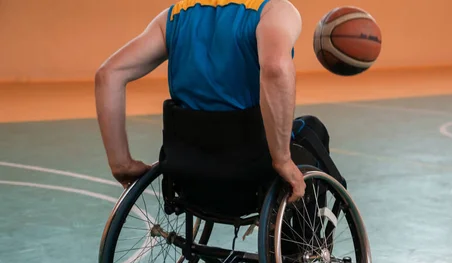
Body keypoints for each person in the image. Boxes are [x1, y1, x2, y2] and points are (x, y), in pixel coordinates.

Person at [94, 0, 306, 202]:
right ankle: (299, 237)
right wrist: (282, 159)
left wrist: (121, 164)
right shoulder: (274, 11)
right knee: (312, 133)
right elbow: (276, 69)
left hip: (186, 170)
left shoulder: (174, 17)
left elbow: (108, 75)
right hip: (251, 169)